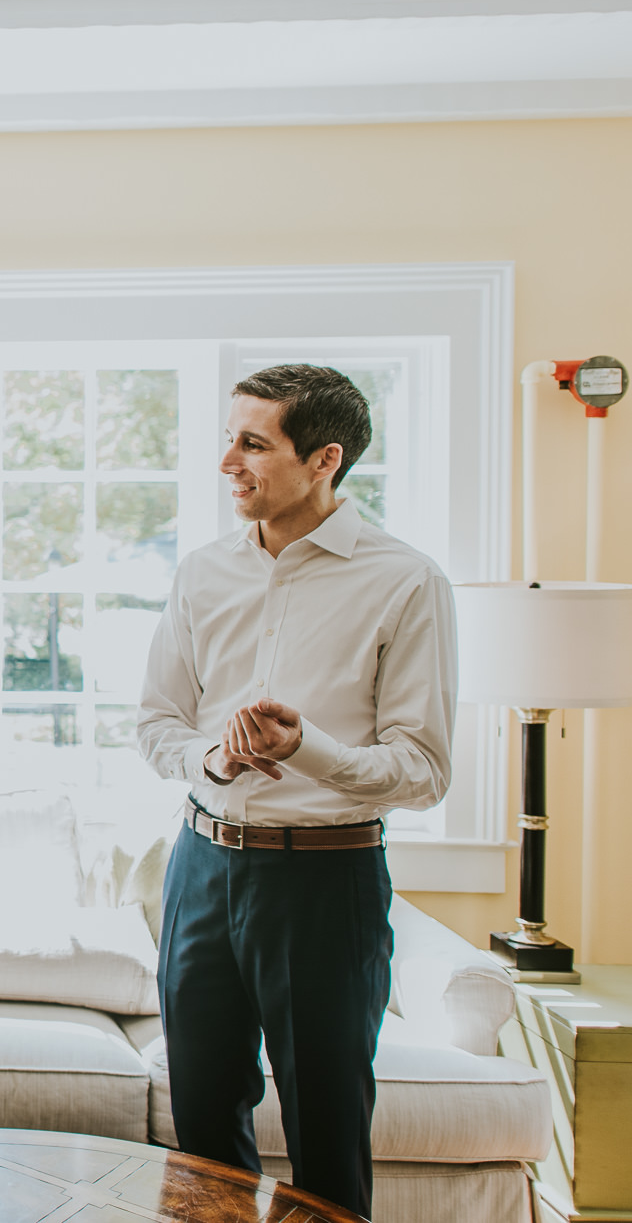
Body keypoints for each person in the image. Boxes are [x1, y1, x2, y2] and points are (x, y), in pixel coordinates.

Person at [137, 363, 456, 1218]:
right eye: (229, 438)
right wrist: (218, 761)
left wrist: (306, 748)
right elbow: (158, 725)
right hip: (203, 871)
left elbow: (423, 769)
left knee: (326, 1133)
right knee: (201, 1122)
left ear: (324, 458)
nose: (227, 461)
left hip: (327, 884)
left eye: (253, 442)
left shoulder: (406, 581)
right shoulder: (203, 574)